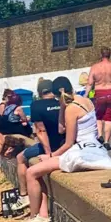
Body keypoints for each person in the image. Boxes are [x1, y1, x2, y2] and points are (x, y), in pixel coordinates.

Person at [20, 77, 101, 222]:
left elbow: (68, 143)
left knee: (31, 172)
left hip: (79, 151)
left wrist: (51, 156)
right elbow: (61, 130)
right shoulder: (85, 101)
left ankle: (37, 217)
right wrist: (62, 108)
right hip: (94, 147)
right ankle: (41, 216)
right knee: (40, 170)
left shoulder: (71, 109)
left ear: (57, 95)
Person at [11, 79, 65, 212]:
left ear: (40, 92)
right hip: (64, 146)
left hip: (50, 147)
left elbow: (41, 131)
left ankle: (24, 196)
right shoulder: (61, 102)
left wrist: (48, 153)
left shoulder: (36, 105)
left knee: (20, 158)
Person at [85, 47, 111, 150]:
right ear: (110, 55)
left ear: (101, 55)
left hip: (99, 94)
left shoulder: (95, 67)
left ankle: (100, 135)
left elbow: (90, 83)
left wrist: (86, 95)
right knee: (109, 118)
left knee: (99, 116)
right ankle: (106, 142)